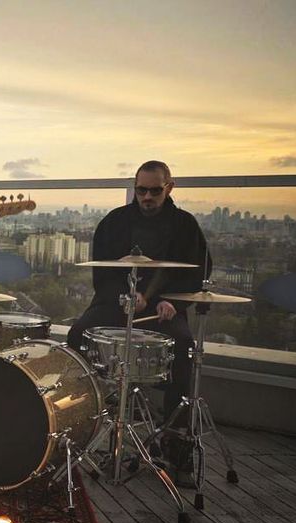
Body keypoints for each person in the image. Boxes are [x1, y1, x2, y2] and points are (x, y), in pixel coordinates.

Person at [66, 160, 209, 480]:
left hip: (164, 309)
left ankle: (175, 445)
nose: (146, 197)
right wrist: (124, 297)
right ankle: (78, 424)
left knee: (183, 345)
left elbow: (197, 273)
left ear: (169, 187)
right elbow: (102, 274)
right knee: (78, 335)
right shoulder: (114, 222)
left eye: (154, 191)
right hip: (116, 304)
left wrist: (172, 301)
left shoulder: (185, 226)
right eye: (141, 190)